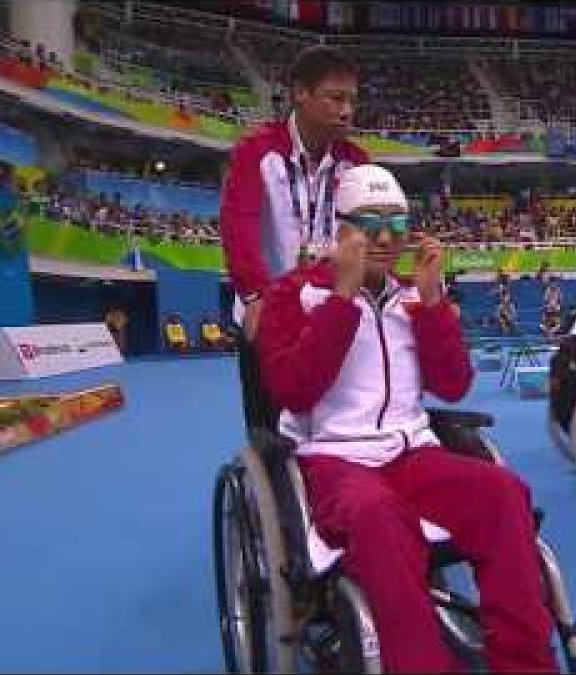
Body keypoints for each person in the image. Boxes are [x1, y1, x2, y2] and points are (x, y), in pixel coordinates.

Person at [257, 165, 555, 673]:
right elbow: (293, 391)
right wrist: (343, 300)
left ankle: (526, 664)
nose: (386, 238)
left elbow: (453, 384)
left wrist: (433, 301)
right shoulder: (295, 295)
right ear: (341, 226)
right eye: (371, 224)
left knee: (503, 493)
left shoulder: (411, 298)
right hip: (335, 460)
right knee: (378, 517)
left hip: (412, 453)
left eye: (398, 225)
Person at [220, 46, 369, 343]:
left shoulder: (358, 163)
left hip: (331, 316)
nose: (347, 111)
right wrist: (254, 296)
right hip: (268, 312)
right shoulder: (256, 152)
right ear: (301, 92)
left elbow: (367, 239)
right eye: (336, 98)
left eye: (352, 100)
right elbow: (238, 229)